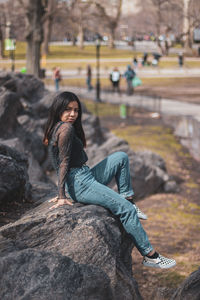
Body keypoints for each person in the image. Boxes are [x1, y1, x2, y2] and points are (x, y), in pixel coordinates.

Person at [43, 91, 176, 269]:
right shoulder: (65, 129)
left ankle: (129, 198)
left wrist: (64, 189)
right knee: (126, 210)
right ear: (58, 109)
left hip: (84, 175)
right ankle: (151, 256)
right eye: (67, 109)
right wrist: (61, 195)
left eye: (75, 110)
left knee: (120, 157)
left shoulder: (58, 126)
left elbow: (59, 160)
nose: (73, 114)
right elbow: (63, 162)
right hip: (80, 182)